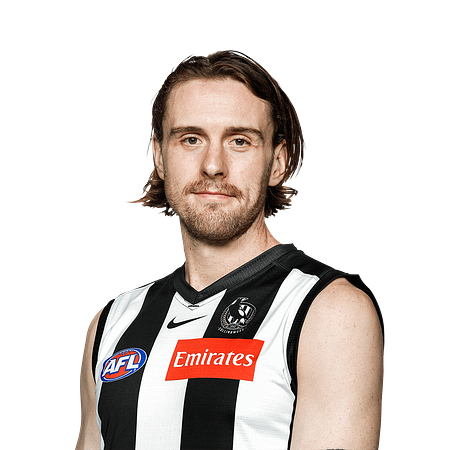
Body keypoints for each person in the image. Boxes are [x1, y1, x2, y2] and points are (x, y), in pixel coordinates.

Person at [75, 50, 385, 450]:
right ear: (160, 156)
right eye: (191, 139)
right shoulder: (112, 323)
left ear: (277, 162)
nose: (213, 165)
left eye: (239, 141)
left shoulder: (328, 311)